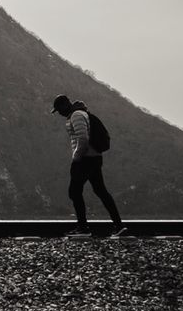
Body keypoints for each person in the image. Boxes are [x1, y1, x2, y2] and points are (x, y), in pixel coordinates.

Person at [52, 94, 127, 238]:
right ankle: (119, 226)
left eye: (58, 109)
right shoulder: (80, 114)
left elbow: (83, 138)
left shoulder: (76, 115)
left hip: (85, 159)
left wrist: (76, 157)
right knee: (100, 191)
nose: (59, 113)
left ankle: (83, 228)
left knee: (74, 192)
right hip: (94, 158)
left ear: (64, 105)